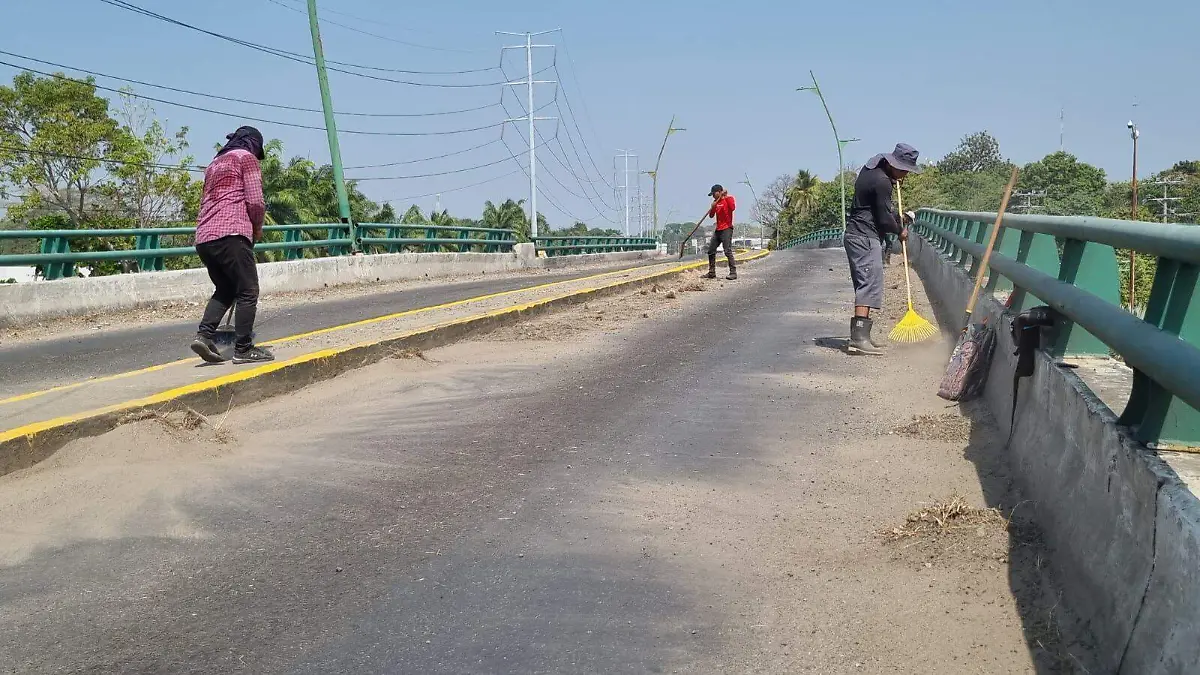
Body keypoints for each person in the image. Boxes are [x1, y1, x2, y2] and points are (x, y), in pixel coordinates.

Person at [189, 126, 275, 364]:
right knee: (248, 290)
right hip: (232, 233)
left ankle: (204, 336)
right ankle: (243, 349)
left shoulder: (214, 164)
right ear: (253, 144)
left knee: (226, 289)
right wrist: (257, 228)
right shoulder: (246, 159)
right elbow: (256, 202)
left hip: (205, 237)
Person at [844, 143, 921, 355]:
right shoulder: (882, 182)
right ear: (893, 164)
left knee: (867, 283)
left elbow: (879, 208)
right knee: (868, 284)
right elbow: (884, 220)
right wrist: (900, 230)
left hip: (857, 235)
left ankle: (863, 336)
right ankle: (859, 339)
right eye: (903, 170)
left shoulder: (871, 169)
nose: (905, 175)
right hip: (864, 237)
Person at [701, 184, 737, 280]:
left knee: (727, 250)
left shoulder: (729, 199)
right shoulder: (715, 203)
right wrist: (712, 207)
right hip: (718, 229)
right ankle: (711, 272)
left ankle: (733, 273)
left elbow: (733, 208)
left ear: (719, 192)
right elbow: (711, 216)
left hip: (727, 229)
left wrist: (725, 196)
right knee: (711, 251)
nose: (713, 196)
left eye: (713, 193)